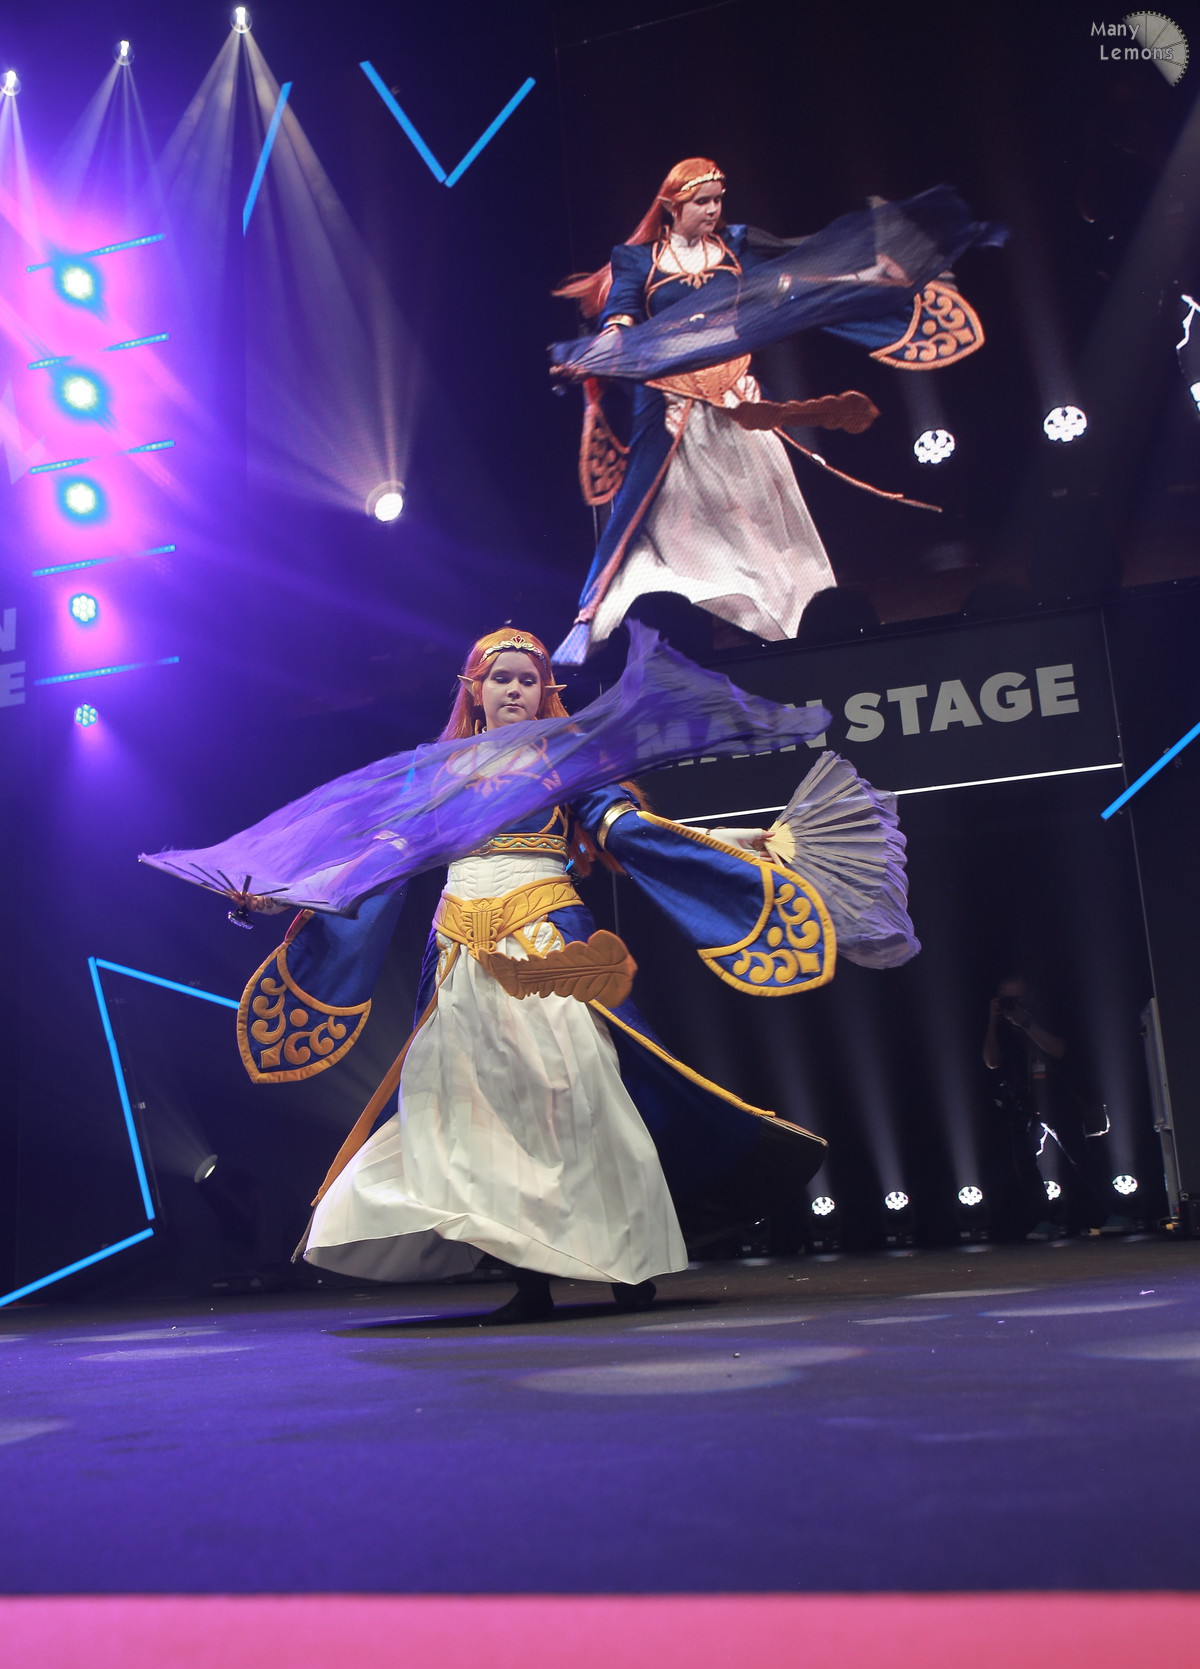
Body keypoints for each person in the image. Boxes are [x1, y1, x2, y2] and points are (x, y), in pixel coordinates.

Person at [228, 628, 915, 1324]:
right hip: (461, 956)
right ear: (474, 690)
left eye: (528, 679)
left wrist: (726, 848)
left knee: (579, 1098)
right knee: (472, 1113)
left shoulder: (566, 760)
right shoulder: (433, 774)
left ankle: (630, 1262)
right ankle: (530, 1281)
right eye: (502, 678)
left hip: (547, 943)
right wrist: (280, 897)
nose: (515, 690)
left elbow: (628, 829)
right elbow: (377, 862)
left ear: (545, 690)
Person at [551, 159, 992, 664]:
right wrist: (601, 350)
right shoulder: (636, 259)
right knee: (666, 521)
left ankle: (793, 624)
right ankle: (601, 615)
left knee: (756, 518)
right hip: (672, 407)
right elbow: (621, 317)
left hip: (736, 399)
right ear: (672, 206)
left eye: (717, 200)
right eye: (701, 202)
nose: (713, 210)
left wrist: (872, 274)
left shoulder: (735, 244)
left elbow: (798, 276)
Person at [983, 974, 1106, 1240]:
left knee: (1079, 1156)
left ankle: (1114, 1212)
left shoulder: (1045, 1017)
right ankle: (1043, 1219)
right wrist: (993, 1020)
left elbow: (1058, 1050)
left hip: (1056, 1098)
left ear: (1029, 998)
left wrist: (1025, 1022)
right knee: (1024, 1163)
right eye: (1006, 999)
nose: (1012, 1004)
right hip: (1023, 1102)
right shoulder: (1003, 1027)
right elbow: (991, 1061)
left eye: (1016, 999)